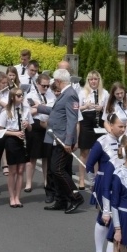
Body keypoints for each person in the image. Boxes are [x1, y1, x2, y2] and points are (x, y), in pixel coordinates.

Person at [37, 68, 84, 213]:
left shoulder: (70, 95)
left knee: (57, 169)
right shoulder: (65, 94)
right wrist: (39, 107)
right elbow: (57, 111)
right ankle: (61, 200)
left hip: (63, 139)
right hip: (56, 137)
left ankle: (75, 196)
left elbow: (72, 120)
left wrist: (69, 141)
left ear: (58, 81)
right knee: (55, 169)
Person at [86, 111, 127, 252]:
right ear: (111, 125)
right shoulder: (101, 142)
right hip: (104, 183)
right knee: (104, 217)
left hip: (120, 183)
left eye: (124, 126)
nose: (123, 129)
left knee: (118, 217)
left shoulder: (125, 141)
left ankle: (115, 251)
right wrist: (93, 182)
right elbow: (89, 165)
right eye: (120, 126)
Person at [0, 86, 32, 208]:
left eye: (22, 95)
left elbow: (31, 128)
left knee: (21, 170)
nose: (21, 97)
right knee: (13, 170)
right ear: (12, 97)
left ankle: (18, 197)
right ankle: (11, 197)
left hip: (23, 139)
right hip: (12, 140)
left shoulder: (26, 110)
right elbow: (0, 130)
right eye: (18, 95)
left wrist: (28, 125)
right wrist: (14, 133)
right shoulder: (6, 111)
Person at [78, 71, 108, 190]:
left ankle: (95, 179)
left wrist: (102, 108)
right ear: (88, 81)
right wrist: (85, 106)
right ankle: (81, 179)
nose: (93, 81)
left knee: (97, 152)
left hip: (99, 122)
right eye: (91, 79)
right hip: (86, 122)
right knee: (84, 152)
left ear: (99, 80)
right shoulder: (82, 92)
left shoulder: (104, 93)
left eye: (95, 79)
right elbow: (76, 108)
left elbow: (110, 109)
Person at [26, 72, 53, 198]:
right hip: (35, 125)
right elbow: (28, 113)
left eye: (48, 86)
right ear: (37, 84)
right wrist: (41, 108)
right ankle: (28, 182)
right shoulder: (30, 95)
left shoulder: (51, 95)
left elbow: (53, 109)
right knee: (32, 156)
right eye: (43, 86)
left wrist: (41, 107)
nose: (46, 88)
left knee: (46, 156)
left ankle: (46, 181)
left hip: (47, 125)